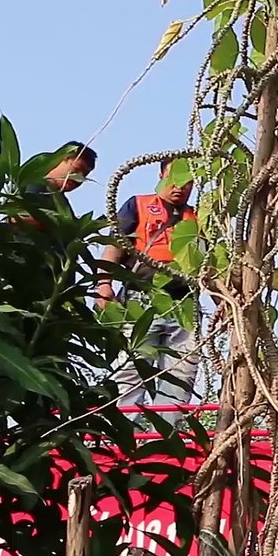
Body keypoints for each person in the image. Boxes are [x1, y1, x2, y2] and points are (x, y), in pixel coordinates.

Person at [96, 156, 200, 418]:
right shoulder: (139, 205)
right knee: (131, 369)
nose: (179, 186)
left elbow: (211, 265)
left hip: (185, 303)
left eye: (187, 181)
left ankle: (164, 436)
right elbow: (114, 246)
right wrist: (103, 284)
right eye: (173, 178)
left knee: (181, 375)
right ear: (161, 175)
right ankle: (123, 431)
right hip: (141, 299)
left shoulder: (198, 216)